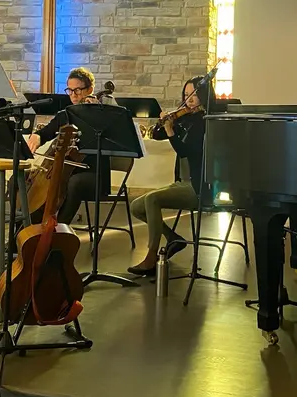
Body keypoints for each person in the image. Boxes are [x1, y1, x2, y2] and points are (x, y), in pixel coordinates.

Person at [127, 76, 214, 276]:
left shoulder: (204, 122)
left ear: (203, 96)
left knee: (152, 198)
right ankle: (173, 237)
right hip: (181, 183)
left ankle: (152, 256)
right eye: (186, 95)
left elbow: (185, 151)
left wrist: (171, 130)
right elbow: (157, 136)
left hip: (197, 186)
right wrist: (164, 123)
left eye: (193, 95)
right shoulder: (186, 118)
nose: (189, 100)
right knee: (136, 207)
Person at [26, 67, 116, 226]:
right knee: (19, 180)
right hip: (64, 170)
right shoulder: (67, 113)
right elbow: (47, 131)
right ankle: (20, 232)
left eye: (78, 90)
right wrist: (37, 137)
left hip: (94, 174)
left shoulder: (104, 114)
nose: (73, 95)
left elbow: (116, 130)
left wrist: (98, 114)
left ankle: (58, 232)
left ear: (90, 89)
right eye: (70, 90)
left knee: (74, 183)